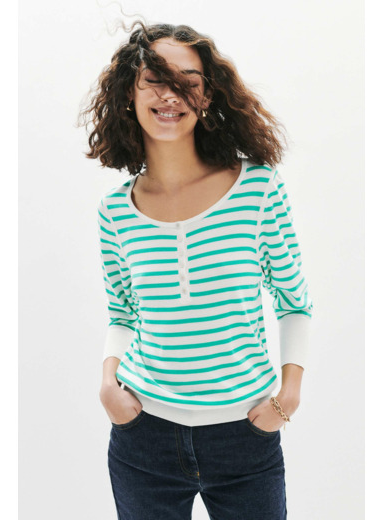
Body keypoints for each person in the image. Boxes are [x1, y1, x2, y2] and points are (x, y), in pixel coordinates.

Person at [78, 20, 313, 520]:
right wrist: (108, 384)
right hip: (143, 437)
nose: (170, 95)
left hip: (246, 436)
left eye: (187, 82)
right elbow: (122, 313)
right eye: (154, 80)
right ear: (129, 93)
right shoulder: (115, 211)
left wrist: (287, 397)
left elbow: (294, 301)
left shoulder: (257, 189)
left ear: (207, 96)